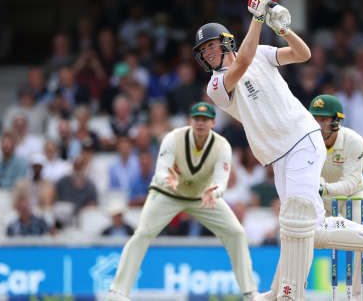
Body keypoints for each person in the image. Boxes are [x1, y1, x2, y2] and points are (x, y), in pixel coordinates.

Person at [192, 0, 363, 301]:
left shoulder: (262, 53)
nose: (209, 54)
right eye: (205, 52)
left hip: (301, 139)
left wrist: (282, 29)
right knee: (307, 228)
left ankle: (288, 294)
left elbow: (302, 54)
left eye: (213, 46)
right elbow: (241, 65)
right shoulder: (215, 86)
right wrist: (257, 18)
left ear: (227, 42)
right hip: (278, 154)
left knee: (296, 218)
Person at [106, 102, 258, 301]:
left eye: (204, 120)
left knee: (236, 232)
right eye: (196, 119)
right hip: (167, 194)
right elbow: (161, 170)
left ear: (213, 122)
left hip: (201, 197)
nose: (200, 123)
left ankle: (250, 293)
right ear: (190, 121)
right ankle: (117, 292)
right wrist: (167, 179)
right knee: (143, 233)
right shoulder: (173, 138)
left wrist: (216, 192)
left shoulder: (222, 146)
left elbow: (221, 181)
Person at [308, 94, 363, 301]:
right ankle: (290, 291)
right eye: (315, 119)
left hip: (353, 196)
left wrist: (322, 188)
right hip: (321, 200)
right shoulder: (306, 141)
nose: (319, 125)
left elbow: (349, 183)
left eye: (324, 119)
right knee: (298, 233)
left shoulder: (353, 141)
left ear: (336, 120)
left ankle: (359, 297)